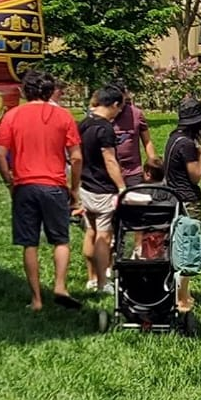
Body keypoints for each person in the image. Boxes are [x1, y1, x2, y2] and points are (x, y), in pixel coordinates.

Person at [0, 70, 83, 311]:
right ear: (51, 90)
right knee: (61, 240)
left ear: (24, 90)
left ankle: (36, 299)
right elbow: (76, 157)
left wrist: (9, 181)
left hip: (24, 185)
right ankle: (61, 286)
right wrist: (74, 189)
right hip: (54, 184)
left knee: (29, 243)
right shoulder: (64, 116)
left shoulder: (12, 116)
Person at [164, 96, 201, 325]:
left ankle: (183, 292)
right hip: (187, 199)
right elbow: (195, 175)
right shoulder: (188, 145)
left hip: (172, 197)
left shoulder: (174, 138)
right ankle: (182, 295)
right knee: (187, 248)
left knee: (177, 245)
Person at [77, 85, 128, 293]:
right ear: (115, 104)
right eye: (120, 108)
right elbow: (110, 160)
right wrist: (122, 187)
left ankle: (91, 278)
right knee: (104, 236)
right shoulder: (105, 128)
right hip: (103, 189)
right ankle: (102, 283)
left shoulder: (83, 123)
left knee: (90, 231)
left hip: (85, 187)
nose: (119, 112)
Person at [111, 82, 157, 187]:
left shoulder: (136, 114)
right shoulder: (104, 116)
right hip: (109, 171)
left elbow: (147, 141)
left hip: (133, 171)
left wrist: (153, 163)